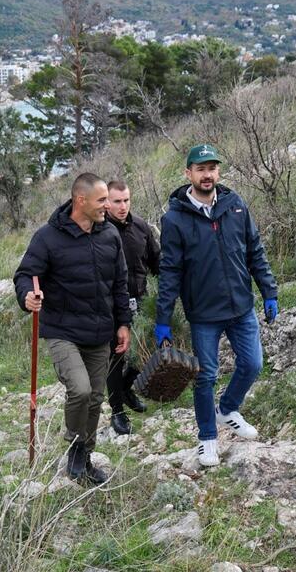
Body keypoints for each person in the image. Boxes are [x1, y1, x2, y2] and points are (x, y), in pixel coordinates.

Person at [155, 144, 278, 467]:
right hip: (204, 314)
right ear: (188, 173)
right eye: (200, 169)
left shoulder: (235, 205)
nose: (207, 175)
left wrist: (269, 291)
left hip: (241, 306)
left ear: (218, 172)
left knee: (252, 364)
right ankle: (207, 438)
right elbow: (170, 272)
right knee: (206, 377)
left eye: (212, 168)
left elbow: (255, 251)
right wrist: (163, 320)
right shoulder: (175, 219)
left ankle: (228, 409)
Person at [14, 172, 132, 484]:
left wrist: (123, 323)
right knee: (80, 390)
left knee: (95, 398)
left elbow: (120, 283)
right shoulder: (47, 237)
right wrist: (26, 296)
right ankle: (75, 444)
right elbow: (25, 274)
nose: (107, 206)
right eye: (101, 200)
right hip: (62, 330)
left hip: (100, 331)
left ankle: (84, 457)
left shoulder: (110, 235)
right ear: (80, 200)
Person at [105, 179, 160, 435]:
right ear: (106, 202)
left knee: (147, 349)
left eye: (126, 200)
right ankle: (117, 411)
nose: (122, 206)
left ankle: (127, 388)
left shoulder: (141, 226)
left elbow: (156, 261)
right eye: (117, 201)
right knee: (116, 358)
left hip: (140, 300)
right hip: (112, 306)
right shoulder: (100, 230)